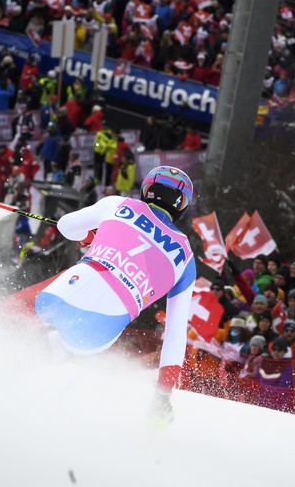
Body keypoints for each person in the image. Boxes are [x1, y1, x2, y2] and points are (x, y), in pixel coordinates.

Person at [34, 167, 196, 423]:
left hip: (57, 296)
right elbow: (176, 333)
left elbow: (65, 225)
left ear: (147, 189)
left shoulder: (120, 204)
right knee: (69, 346)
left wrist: (89, 237)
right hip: (96, 335)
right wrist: (163, 396)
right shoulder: (186, 258)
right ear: (182, 206)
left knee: (63, 285)